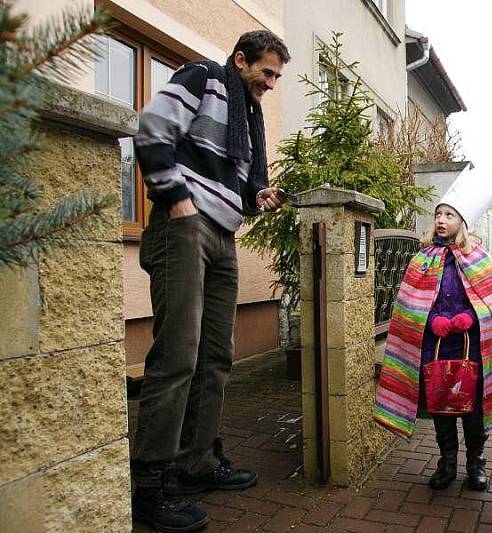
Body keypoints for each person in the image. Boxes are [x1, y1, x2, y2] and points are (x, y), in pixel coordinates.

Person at [131, 30, 290, 532]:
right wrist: (176, 200)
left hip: (224, 232)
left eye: (277, 76)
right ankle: (150, 484)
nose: (270, 83)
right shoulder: (203, 76)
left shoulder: (249, 114)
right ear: (240, 60)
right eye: (265, 72)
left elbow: (234, 181)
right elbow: (152, 127)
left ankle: (195, 462)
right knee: (177, 355)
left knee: (216, 356)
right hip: (183, 224)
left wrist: (256, 194)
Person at [374, 166, 492, 491]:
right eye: (439, 214)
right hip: (436, 348)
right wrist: (430, 320)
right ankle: (446, 463)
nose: (442, 220)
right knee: (442, 409)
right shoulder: (422, 258)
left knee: (473, 412)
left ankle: (476, 463)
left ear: (463, 222)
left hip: (471, 349)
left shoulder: (479, 257)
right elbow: (410, 305)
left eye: (449, 215)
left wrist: (471, 319)